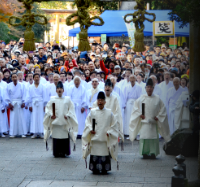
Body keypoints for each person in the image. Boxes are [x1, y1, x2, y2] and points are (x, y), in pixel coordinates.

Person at [129, 78, 171, 159]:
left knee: (153, 138)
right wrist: (139, 114)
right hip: (144, 122)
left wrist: (158, 116)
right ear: (145, 88)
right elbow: (135, 108)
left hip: (153, 122)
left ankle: (153, 152)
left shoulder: (157, 98)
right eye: (147, 87)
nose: (149, 89)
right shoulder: (141, 98)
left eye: (150, 87)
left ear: (153, 88)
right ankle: (144, 152)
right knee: (144, 138)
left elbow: (163, 109)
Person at [82, 91, 119, 174]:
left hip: (104, 139)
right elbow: (87, 123)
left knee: (104, 154)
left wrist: (110, 132)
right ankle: (94, 168)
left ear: (105, 102)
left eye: (102, 100)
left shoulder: (109, 113)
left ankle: (105, 168)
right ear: (96, 101)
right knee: (95, 153)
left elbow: (114, 124)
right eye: (99, 100)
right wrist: (90, 129)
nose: (100, 102)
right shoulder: (92, 112)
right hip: (95, 139)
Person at [43, 81, 78, 157]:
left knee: (64, 136)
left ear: (63, 90)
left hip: (64, 121)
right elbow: (48, 109)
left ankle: (65, 152)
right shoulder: (52, 99)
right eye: (58, 88)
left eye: (61, 88)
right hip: (55, 122)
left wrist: (68, 115)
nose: (59, 90)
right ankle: (56, 152)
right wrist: (51, 115)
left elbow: (71, 109)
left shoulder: (67, 99)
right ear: (56, 90)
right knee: (56, 137)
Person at [5, 73, 27, 138]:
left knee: (21, 118)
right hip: (12, 103)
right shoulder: (8, 85)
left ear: (17, 78)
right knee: (13, 118)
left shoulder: (22, 85)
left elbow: (24, 94)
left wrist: (24, 102)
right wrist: (9, 103)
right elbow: (7, 95)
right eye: (13, 77)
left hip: (20, 102)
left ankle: (23, 132)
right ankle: (12, 133)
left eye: (15, 77)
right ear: (11, 78)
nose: (14, 78)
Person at [26, 73, 48, 138]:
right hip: (33, 103)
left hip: (41, 103)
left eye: (37, 77)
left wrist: (45, 105)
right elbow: (28, 96)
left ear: (39, 78)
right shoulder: (30, 87)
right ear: (33, 78)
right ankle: (34, 132)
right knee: (34, 117)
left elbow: (45, 96)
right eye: (35, 77)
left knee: (41, 117)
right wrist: (30, 105)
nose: (36, 78)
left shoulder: (43, 86)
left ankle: (41, 132)